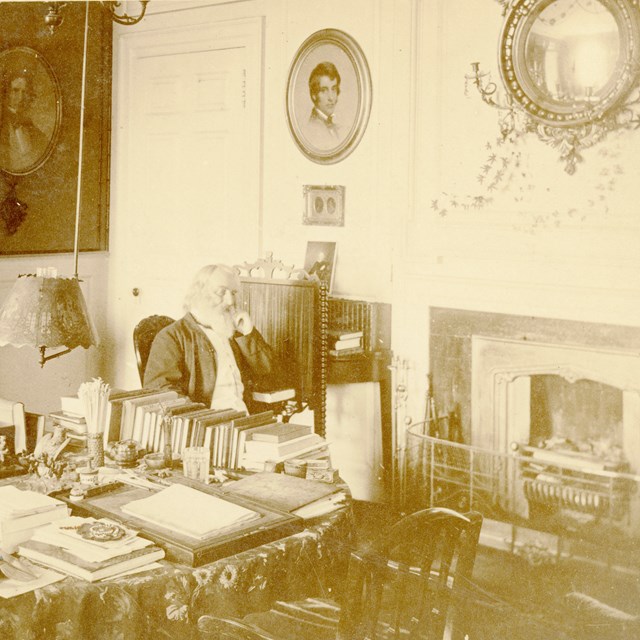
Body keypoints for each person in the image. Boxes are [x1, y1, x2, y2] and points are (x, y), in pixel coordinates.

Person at [144, 264, 289, 412]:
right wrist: (203, 419)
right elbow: (162, 393)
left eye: (233, 293)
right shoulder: (171, 337)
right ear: (199, 292)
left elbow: (273, 378)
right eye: (221, 292)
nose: (230, 301)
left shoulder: (233, 331)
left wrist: (248, 335)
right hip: (206, 426)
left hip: (244, 420)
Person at [0, 68, 48, 173]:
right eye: (16, 90)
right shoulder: (2, 123)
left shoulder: (28, 124)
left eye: (24, 92)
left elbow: (43, 145)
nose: (20, 97)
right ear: (6, 92)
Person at [305, 61, 343, 149]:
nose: (331, 97)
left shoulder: (335, 128)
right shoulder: (311, 130)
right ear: (314, 95)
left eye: (333, 89)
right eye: (324, 90)